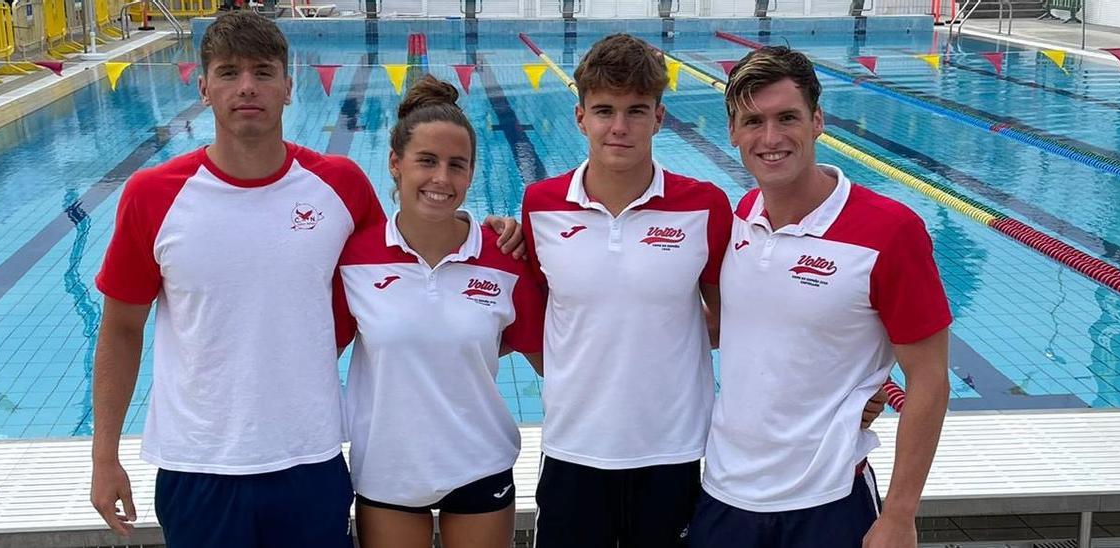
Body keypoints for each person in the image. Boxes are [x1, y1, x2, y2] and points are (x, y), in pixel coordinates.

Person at [88, 12, 520, 546]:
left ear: (289, 86)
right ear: (202, 87)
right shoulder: (152, 194)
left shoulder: (339, 186)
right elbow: (121, 328)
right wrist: (104, 457)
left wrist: (491, 229)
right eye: (228, 72)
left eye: (263, 72)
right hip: (198, 461)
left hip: (310, 460)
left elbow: (413, 246)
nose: (247, 87)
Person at [688, 46, 952, 548]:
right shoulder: (740, 217)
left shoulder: (890, 231)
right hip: (723, 493)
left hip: (829, 500)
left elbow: (930, 379)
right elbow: (723, 327)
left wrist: (900, 515)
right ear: (732, 132)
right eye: (753, 121)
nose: (770, 138)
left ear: (817, 121)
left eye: (787, 118)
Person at [519, 33, 733, 548]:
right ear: (580, 117)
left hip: (672, 449)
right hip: (575, 447)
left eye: (637, 110)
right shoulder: (539, 205)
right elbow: (535, 323)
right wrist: (585, 369)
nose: (619, 127)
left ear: (659, 118)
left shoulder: (705, 205)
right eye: (604, 110)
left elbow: (732, 317)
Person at [338, 74, 545, 548]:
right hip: (388, 470)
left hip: (479, 461)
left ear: (471, 173)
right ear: (395, 163)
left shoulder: (503, 255)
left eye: (457, 165)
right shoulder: (353, 257)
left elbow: (550, 360)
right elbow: (312, 351)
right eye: (426, 161)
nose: (442, 179)